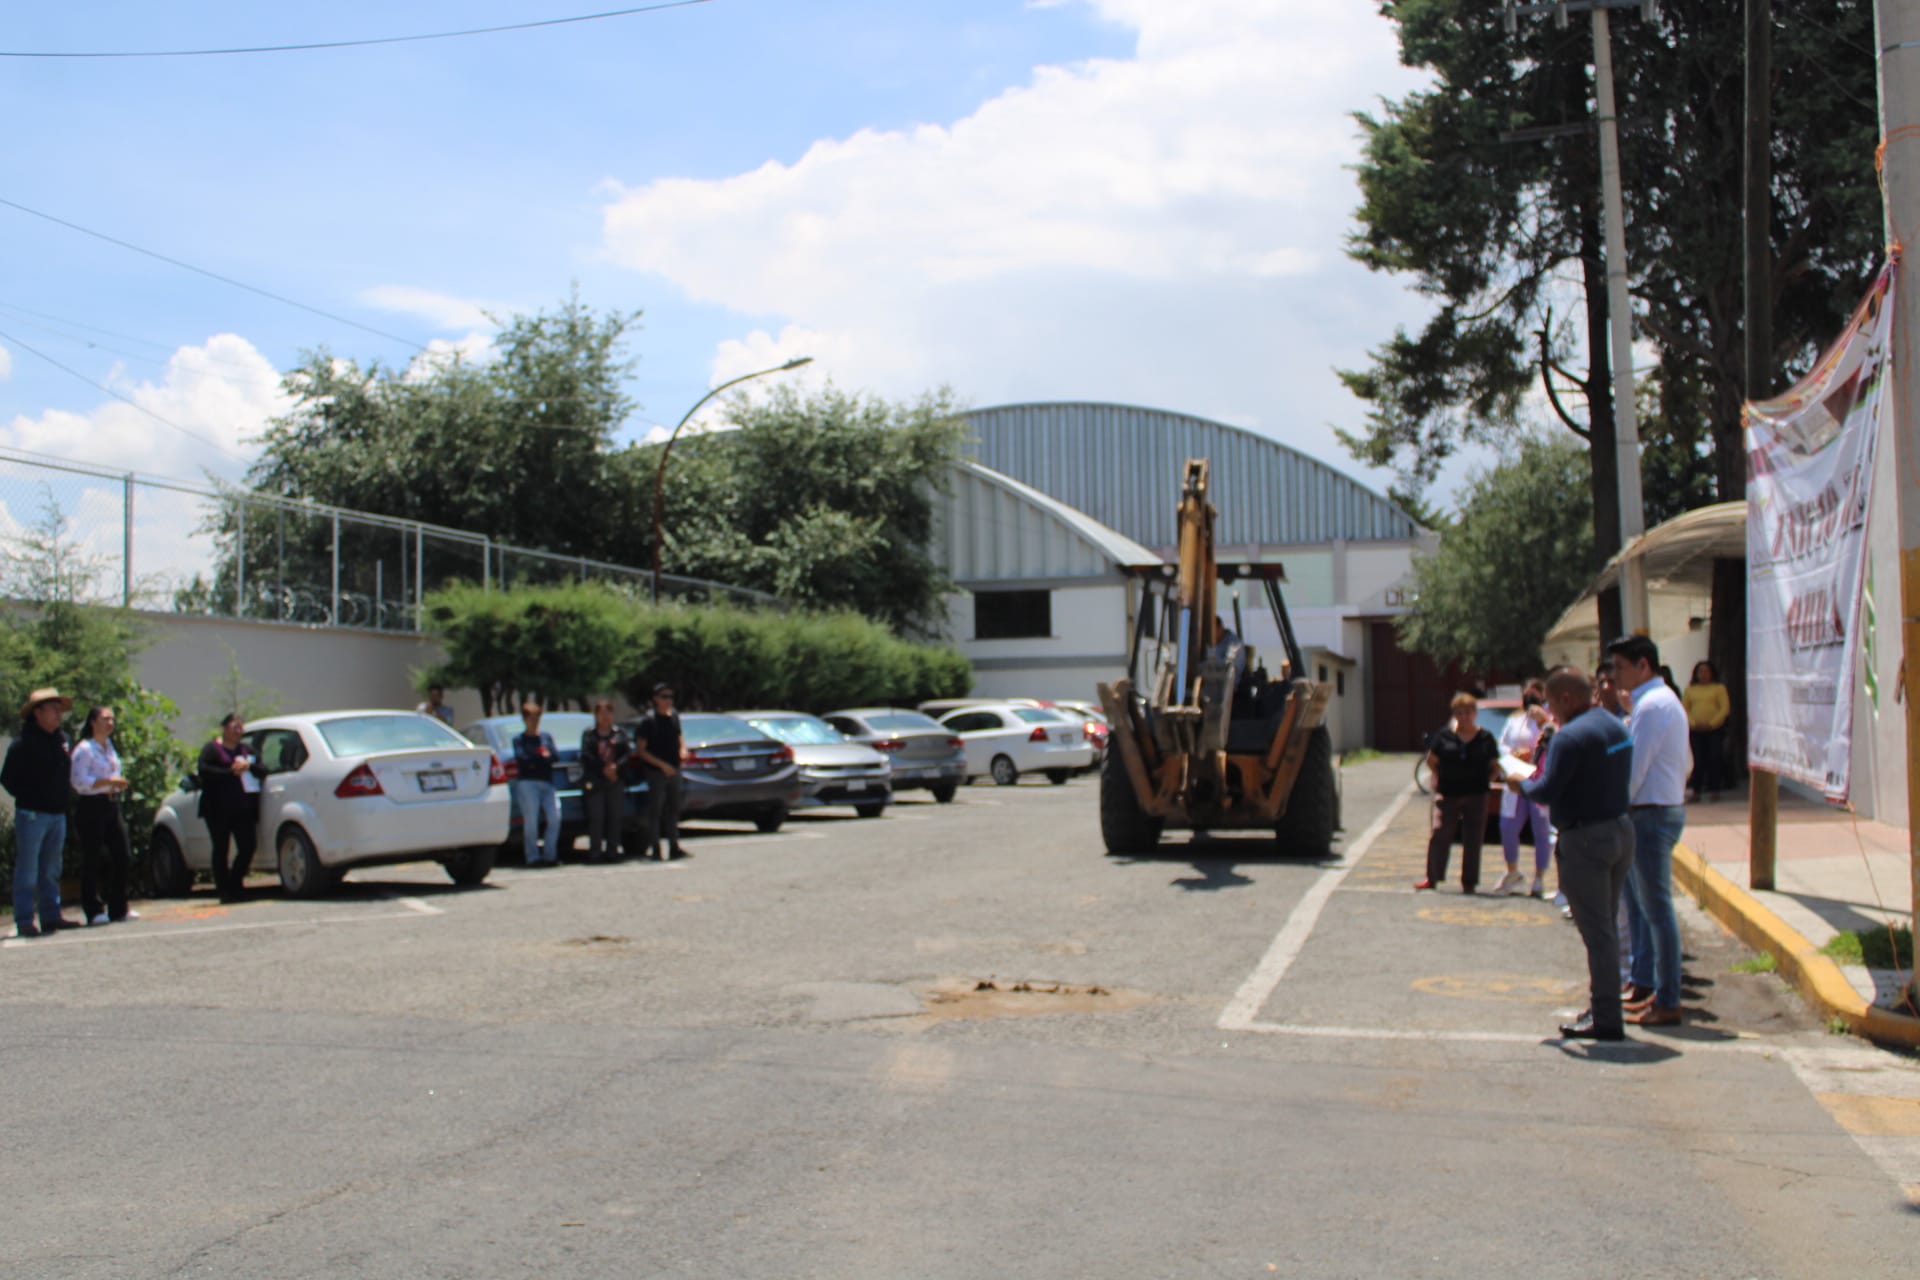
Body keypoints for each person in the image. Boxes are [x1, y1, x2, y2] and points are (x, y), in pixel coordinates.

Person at [1506, 667, 1635, 1041]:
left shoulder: (1570, 737)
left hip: (1586, 840)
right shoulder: (1615, 725)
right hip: (1620, 830)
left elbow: (1546, 789)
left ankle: (1606, 1017)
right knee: (1607, 927)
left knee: (1598, 934)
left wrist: (1519, 785)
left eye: (1550, 701)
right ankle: (1603, 1006)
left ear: (1564, 699)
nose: (1548, 709)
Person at [1609, 634, 1691, 1028]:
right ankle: (1646, 983)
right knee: (1644, 907)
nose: (1614, 675)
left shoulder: (1653, 706)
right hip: (1657, 809)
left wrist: (1611, 806)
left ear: (1644, 665)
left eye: (1621, 667)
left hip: (1651, 813)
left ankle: (1668, 997)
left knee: (1657, 910)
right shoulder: (1657, 703)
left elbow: (1634, 769)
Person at [3, 688, 80, 937]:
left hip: (58, 814)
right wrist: (30, 797)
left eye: (60, 709)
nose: (58, 714)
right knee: (28, 869)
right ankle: (24, 919)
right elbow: (8, 779)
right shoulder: (23, 743)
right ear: (38, 712)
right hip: (33, 815)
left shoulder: (62, 740)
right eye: (53, 709)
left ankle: (51, 915)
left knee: (51, 868)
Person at [1415, 691, 1503, 894]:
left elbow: (1495, 766)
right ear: (1455, 714)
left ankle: (1469, 882)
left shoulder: (1486, 738)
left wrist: (1485, 783)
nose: (1464, 717)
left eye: (1468, 712)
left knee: (1473, 837)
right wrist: (1442, 777)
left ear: (1475, 713)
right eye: (1459, 713)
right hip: (1449, 793)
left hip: (1477, 794)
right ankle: (1433, 877)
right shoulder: (1444, 737)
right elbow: (1431, 760)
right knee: (1440, 833)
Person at [71, 705, 138, 925]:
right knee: (93, 857)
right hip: (91, 805)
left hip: (111, 803)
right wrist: (108, 782)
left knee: (122, 854)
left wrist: (116, 784)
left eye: (112, 719)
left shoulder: (109, 746)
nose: (110, 723)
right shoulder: (84, 749)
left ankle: (118, 907)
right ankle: (93, 909)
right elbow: (79, 781)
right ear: (93, 722)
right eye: (105, 719)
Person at [1492, 681, 1554, 897]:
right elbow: (1502, 745)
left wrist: (1544, 721)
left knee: (1541, 831)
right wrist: (1514, 753)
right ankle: (1513, 871)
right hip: (1516, 780)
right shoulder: (1515, 720)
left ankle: (1539, 878)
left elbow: (1556, 740)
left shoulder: (1549, 718)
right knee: (1508, 826)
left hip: (1538, 781)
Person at [198, 714, 265, 903]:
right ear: (225, 728)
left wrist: (248, 765)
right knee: (221, 848)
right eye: (234, 727)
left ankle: (236, 883)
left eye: (240, 728)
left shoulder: (247, 750)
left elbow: (263, 769)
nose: (238, 731)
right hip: (217, 808)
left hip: (242, 807)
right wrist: (230, 772)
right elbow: (204, 770)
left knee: (248, 846)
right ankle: (224, 891)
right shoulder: (212, 749)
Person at [632, 683, 685, 861]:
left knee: (674, 809)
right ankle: (655, 848)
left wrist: (683, 749)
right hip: (656, 772)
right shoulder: (648, 721)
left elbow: (679, 735)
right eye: (664, 696)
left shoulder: (674, 716)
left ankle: (674, 846)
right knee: (656, 811)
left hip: (675, 769)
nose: (668, 700)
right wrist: (662, 766)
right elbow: (641, 750)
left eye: (670, 696)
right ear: (655, 698)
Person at [579, 699, 633, 864]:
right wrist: (604, 768)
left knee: (614, 816)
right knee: (597, 817)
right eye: (601, 713)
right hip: (596, 780)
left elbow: (627, 754)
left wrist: (615, 768)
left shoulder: (619, 733)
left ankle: (612, 850)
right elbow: (587, 755)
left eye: (608, 713)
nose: (605, 717)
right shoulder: (589, 734)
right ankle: (595, 852)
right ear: (595, 716)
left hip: (615, 780)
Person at [511, 701, 563, 867]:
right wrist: (541, 757)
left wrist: (541, 758)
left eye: (537, 718)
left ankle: (550, 855)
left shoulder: (546, 737)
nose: (534, 721)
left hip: (547, 782)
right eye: (531, 718)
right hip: (528, 783)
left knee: (554, 817)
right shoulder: (519, 739)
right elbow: (523, 760)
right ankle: (532, 857)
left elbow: (554, 757)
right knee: (531, 820)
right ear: (525, 719)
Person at [1683, 660, 1731, 801]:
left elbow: (1724, 708)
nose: (1703, 674)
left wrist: (1712, 723)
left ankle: (1715, 790)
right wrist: (1693, 723)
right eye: (1701, 672)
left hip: (1714, 730)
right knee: (1698, 760)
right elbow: (1685, 708)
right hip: (1696, 730)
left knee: (1714, 758)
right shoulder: (1690, 690)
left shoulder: (1719, 688)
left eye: (1706, 671)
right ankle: (1696, 791)